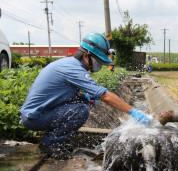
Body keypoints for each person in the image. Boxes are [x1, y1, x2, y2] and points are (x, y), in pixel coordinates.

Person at [20, 32, 151, 159]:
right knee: (81, 110)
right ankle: (51, 144)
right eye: (98, 62)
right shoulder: (74, 69)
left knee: (81, 103)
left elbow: (59, 93)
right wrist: (133, 111)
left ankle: (55, 141)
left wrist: (82, 97)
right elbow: (105, 95)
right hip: (36, 117)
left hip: (38, 113)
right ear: (86, 55)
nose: (99, 66)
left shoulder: (69, 64)